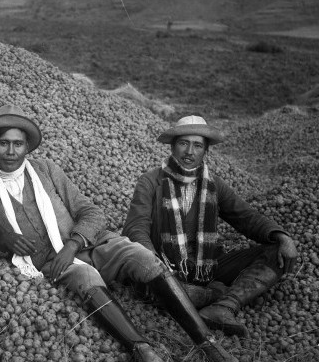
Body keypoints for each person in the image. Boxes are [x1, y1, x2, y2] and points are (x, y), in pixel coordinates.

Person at [0, 104, 245, 362]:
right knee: (86, 277)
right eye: (3, 143)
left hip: (91, 245)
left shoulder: (45, 170)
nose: (11, 152)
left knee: (142, 256)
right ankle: (143, 352)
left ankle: (207, 343)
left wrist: (72, 245)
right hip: (53, 264)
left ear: (27, 147)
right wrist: (4, 241)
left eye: (17, 144)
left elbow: (92, 213)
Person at [122, 115, 299, 338]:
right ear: (172, 146)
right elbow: (136, 227)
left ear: (206, 151)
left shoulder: (214, 185)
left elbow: (245, 217)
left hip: (206, 266)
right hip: (165, 267)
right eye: (183, 143)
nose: (189, 152)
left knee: (277, 252)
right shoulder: (150, 181)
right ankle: (206, 294)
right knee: (147, 281)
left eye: (197, 145)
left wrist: (281, 235)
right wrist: (156, 265)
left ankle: (222, 306)